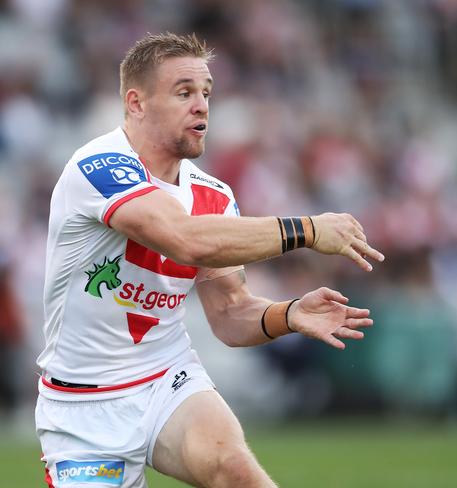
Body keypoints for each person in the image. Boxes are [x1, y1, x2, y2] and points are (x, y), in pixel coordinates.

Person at [35, 32, 384, 488]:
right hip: (83, 409)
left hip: (166, 380)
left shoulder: (215, 196)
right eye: (184, 93)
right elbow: (185, 240)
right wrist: (308, 229)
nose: (201, 105)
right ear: (136, 103)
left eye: (206, 93)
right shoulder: (98, 167)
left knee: (237, 472)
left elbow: (232, 314)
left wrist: (290, 313)